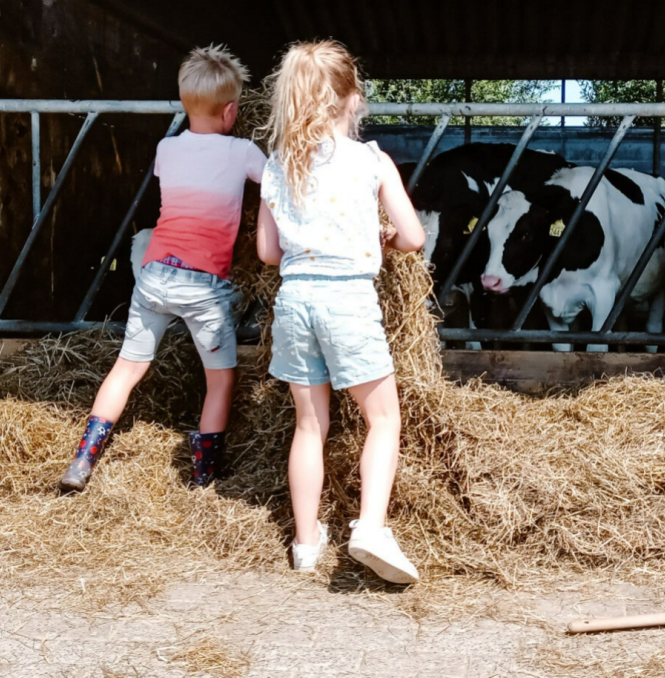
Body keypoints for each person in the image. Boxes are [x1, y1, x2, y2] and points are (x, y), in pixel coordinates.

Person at [60, 44, 266, 492]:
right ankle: (202, 476)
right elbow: (277, 182)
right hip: (205, 286)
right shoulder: (244, 151)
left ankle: (82, 460)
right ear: (231, 111)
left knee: (126, 369)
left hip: (154, 276)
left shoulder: (166, 149)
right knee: (221, 380)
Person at [256, 40, 425, 583]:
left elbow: (266, 251)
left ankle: (306, 544)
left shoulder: (278, 164)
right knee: (383, 419)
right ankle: (370, 528)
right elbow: (414, 237)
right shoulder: (371, 161)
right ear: (353, 99)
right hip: (348, 299)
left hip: (295, 300)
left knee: (309, 424)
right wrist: (384, 238)